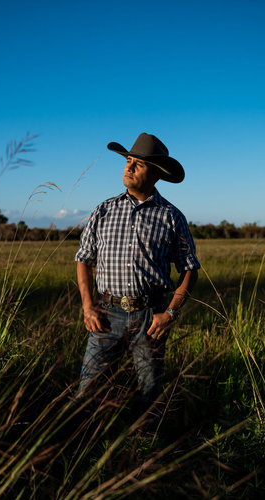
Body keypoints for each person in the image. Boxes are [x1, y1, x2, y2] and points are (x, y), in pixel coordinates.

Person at [73, 132, 200, 429]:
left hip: (150, 317)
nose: (128, 168)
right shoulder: (103, 210)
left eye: (137, 164)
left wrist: (171, 312)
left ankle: (144, 453)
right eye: (128, 161)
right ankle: (77, 448)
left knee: (149, 393)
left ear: (155, 174)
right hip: (106, 314)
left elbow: (190, 268)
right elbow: (84, 258)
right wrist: (88, 306)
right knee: (87, 390)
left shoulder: (171, 216)